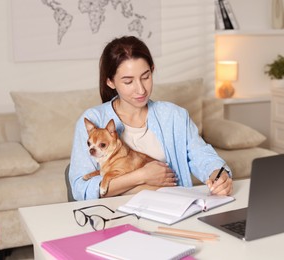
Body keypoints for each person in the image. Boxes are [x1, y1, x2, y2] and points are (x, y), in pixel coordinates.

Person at [69, 36, 233, 200]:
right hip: (112, 214)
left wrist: (219, 175)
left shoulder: (174, 116)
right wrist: (142, 176)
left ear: (152, 70)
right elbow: (80, 189)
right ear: (110, 82)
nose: (141, 90)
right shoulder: (93, 120)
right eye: (128, 81)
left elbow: (202, 155)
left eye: (146, 77)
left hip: (171, 207)